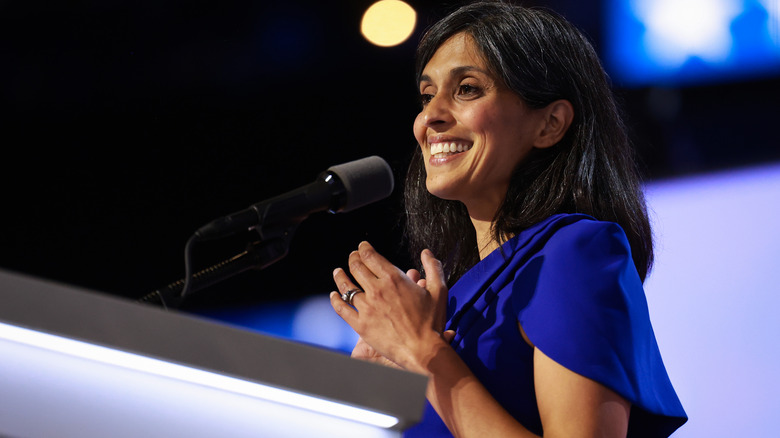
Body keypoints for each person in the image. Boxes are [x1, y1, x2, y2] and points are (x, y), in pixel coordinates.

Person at [328, 1, 688, 437]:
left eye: (467, 89)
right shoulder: (454, 300)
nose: (430, 117)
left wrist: (423, 353)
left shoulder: (573, 252)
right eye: (426, 96)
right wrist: (381, 388)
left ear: (550, 124)